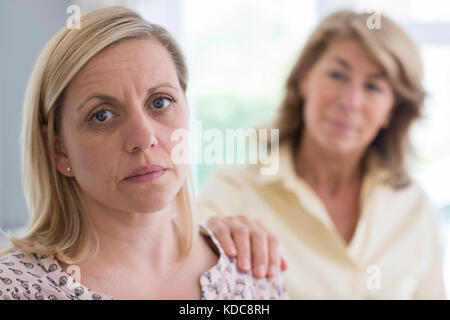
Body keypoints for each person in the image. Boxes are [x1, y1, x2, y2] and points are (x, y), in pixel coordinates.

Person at [0, 7, 287, 300]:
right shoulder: (13, 290)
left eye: (160, 102)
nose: (143, 138)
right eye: (102, 116)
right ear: (58, 149)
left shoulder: (250, 273)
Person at [197, 10, 447, 299]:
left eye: (373, 87)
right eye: (337, 75)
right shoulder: (232, 194)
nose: (350, 101)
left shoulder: (414, 209)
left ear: (392, 109)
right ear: (304, 79)